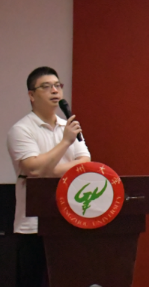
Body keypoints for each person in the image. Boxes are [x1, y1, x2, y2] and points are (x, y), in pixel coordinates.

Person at [6, 67, 91, 287]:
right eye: (46, 86)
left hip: (70, 218)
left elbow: (85, 164)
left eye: (57, 85)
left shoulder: (68, 126)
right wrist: (65, 142)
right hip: (33, 225)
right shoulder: (21, 130)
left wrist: (47, 170)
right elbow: (33, 170)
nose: (54, 90)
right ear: (31, 95)